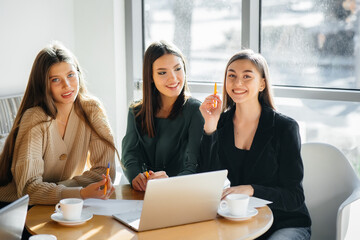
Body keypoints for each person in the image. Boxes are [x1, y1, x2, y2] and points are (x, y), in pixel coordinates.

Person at [198, 49, 311, 239]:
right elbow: (207, 179)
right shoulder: (221, 123)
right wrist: (210, 127)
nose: (237, 83)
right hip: (238, 221)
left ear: (262, 84)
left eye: (247, 76)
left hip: (284, 224)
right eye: (231, 76)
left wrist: (251, 189)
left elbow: (294, 197)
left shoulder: (285, 128)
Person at [0, 42, 116, 207]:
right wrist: (80, 192)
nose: (67, 85)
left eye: (70, 75)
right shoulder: (35, 118)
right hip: (14, 207)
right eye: (56, 80)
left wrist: (65, 191)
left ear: (78, 74)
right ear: (44, 85)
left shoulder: (92, 110)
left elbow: (105, 172)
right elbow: (28, 190)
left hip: (61, 203)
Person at [121, 41, 204, 191]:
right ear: (151, 76)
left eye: (178, 69)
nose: (173, 78)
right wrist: (136, 176)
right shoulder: (136, 111)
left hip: (181, 193)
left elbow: (194, 166)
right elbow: (130, 155)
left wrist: (169, 183)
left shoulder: (195, 110)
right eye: (162, 72)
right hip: (143, 195)